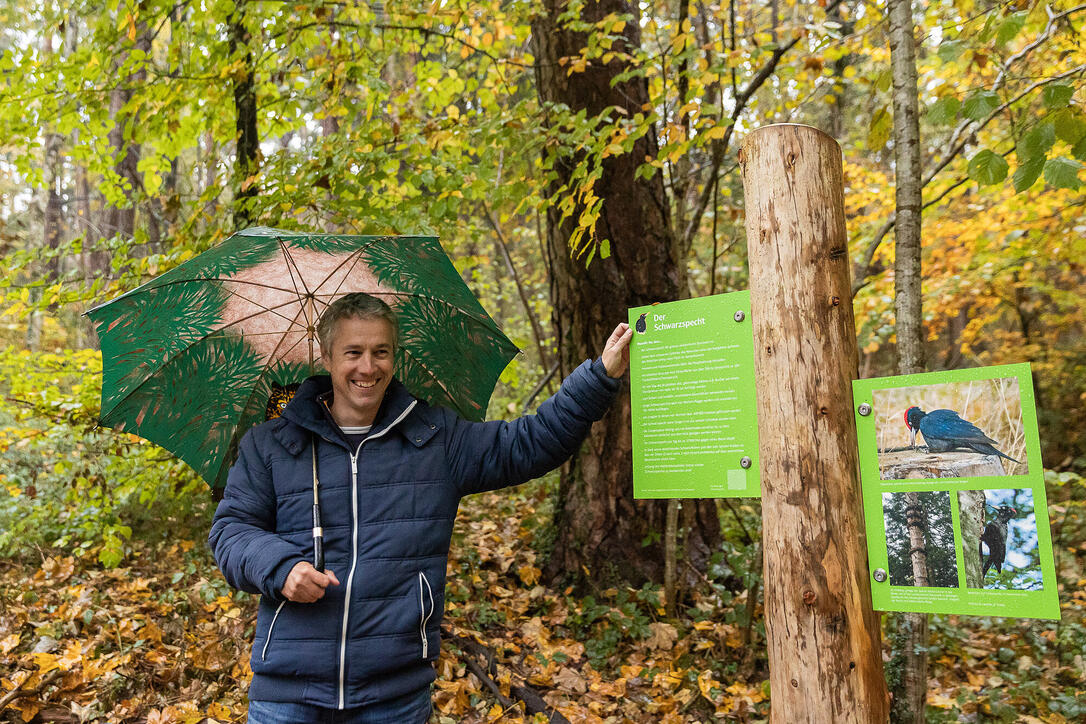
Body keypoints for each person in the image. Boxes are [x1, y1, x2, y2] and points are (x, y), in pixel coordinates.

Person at [209, 292, 633, 723]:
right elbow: (230, 532)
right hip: (288, 693)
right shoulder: (271, 444)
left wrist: (599, 377)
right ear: (327, 356)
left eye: (381, 352)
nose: (368, 367)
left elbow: (532, 443)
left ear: (395, 356)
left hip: (394, 693)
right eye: (353, 352)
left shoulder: (435, 439)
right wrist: (281, 569)